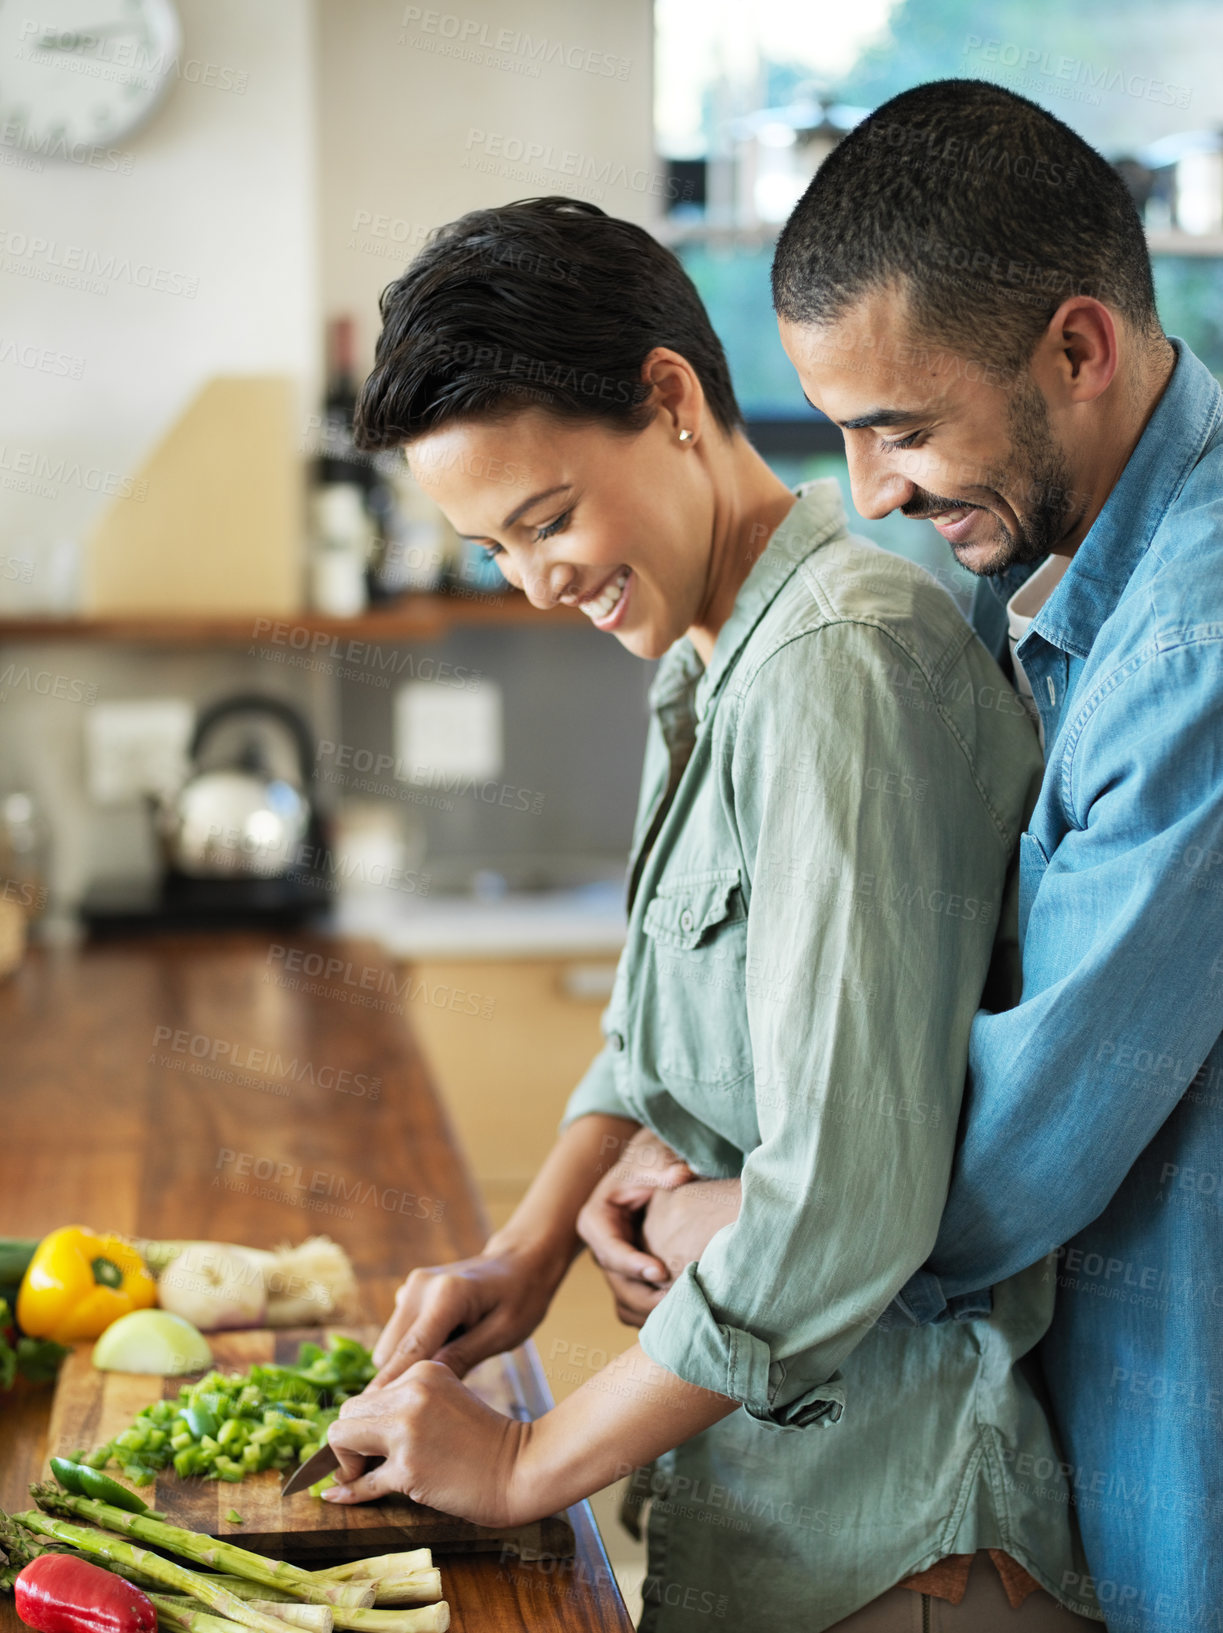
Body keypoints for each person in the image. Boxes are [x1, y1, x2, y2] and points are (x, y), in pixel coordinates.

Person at [323, 196, 1100, 1630]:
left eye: (547, 518)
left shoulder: (838, 663)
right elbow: (646, 1033)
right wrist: (528, 1252)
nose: (536, 580)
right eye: (494, 545)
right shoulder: (706, 657)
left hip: (892, 1536)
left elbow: (840, 1207)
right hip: (774, 1512)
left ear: (670, 398)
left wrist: (518, 1460)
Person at [587, 79, 1223, 1631]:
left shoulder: (1199, 640)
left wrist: (721, 1213)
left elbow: (1025, 1145)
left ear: (1079, 348)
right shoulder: (1091, 593)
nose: (872, 490)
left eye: (905, 427)